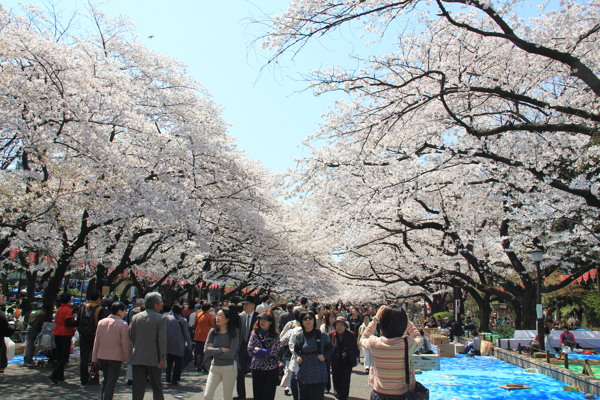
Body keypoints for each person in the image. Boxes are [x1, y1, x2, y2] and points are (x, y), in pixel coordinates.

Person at [360, 305, 424, 400]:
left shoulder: (374, 343)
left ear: (382, 323)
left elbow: (363, 338)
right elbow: (419, 338)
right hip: (402, 394)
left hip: (379, 393)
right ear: (403, 324)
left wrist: (375, 320)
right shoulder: (407, 344)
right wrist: (407, 321)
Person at [129, 292, 167, 400]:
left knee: (138, 388)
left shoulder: (136, 317)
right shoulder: (161, 318)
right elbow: (162, 340)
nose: (162, 305)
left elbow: (131, 336)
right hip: (154, 358)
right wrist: (162, 357)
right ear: (156, 304)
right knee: (157, 387)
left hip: (138, 356)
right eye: (161, 303)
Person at [291, 310, 334, 400]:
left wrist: (324, 356)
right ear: (301, 321)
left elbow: (330, 347)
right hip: (304, 371)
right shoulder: (300, 335)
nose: (308, 320)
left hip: (318, 370)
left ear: (314, 320)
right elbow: (296, 349)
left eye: (310, 318)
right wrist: (297, 356)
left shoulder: (321, 334)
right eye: (305, 319)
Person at [92, 301, 130, 400]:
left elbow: (97, 341)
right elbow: (125, 343)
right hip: (115, 357)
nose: (125, 312)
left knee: (106, 379)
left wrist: (94, 357)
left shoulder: (101, 322)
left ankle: (103, 397)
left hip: (102, 356)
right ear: (119, 311)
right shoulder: (123, 324)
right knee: (111, 382)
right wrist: (127, 357)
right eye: (124, 310)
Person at [204, 308, 241, 400]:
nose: (217, 318)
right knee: (207, 395)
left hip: (229, 367)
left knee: (227, 397)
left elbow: (231, 353)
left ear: (227, 319)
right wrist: (221, 350)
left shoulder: (234, 333)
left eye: (220, 316)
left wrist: (213, 351)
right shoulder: (213, 332)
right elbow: (206, 350)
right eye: (217, 315)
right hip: (214, 367)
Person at [248, 311, 281, 400]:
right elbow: (250, 350)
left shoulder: (275, 335)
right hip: (257, 368)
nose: (262, 322)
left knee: (268, 396)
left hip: (271, 369)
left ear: (271, 322)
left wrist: (259, 350)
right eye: (260, 319)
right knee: (257, 396)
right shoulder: (255, 333)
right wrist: (267, 351)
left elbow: (275, 351)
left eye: (265, 320)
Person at [78, 289, 108, 385]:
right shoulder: (100, 309)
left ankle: (83, 378)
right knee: (95, 357)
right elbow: (101, 324)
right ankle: (94, 377)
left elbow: (78, 320)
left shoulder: (83, 307)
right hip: (94, 335)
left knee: (83, 357)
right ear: (98, 298)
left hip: (83, 335)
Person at [49, 292, 78, 384]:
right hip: (65, 334)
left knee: (60, 355)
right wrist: (77, 323)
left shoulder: (59, 309)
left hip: (57, 333)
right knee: (64, 357)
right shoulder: (67, 310)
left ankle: (60, 376)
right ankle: (54, 374)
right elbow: (68, 323)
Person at [328, 317, 359, 400]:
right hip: (335, 360)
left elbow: (355, 348)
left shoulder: (351, 334)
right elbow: (328, 347)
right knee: (336, 378)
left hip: (347, 360)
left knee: (345, 380)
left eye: (341, 325)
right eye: (337, 325)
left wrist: (356, 357)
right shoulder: (331, 334)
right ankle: (338, 393)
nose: (339, 327)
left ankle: (344, 396)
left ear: (345, 326)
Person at [235, 295, 258, 400]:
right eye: (244, 304)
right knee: (239, 371)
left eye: (247, 304)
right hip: (242, 347)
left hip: (255, 348)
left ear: (253, 306)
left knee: (256, 372)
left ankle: (257, 394)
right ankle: (241, 394)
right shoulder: (240, 316)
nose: (245, 306)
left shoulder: (258, 317)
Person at [165, 304, 193, 385]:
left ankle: (168, 376)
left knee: (169, 361)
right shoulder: (183, 320)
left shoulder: (167, 318)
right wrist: (189, 344)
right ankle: (175, 378)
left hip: (169, 343)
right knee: (178, 362)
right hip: (179, 344)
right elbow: (186, 334)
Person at [24, 302, 48, 367]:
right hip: (34, 329)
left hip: (29, 328)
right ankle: (29, 361)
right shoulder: (42, 313)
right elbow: (41, 323)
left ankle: (26, 360)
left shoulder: (33, 312)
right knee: (31, 346)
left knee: (28, 345)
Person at [194, 302, 215, 372]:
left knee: (198, 350)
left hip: (197, 334)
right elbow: (212, 325)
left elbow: (195, 323)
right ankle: (203, 363)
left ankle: (198, 365)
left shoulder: (198, 314)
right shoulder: (209, 316)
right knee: (206, 350)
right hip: (205, 334)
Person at [0, 291, 16, 373]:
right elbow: (7, 331)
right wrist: (13, 326)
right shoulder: (1, 314)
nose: (2, 296)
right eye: (1, 294)